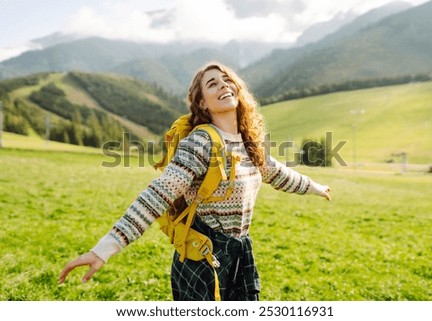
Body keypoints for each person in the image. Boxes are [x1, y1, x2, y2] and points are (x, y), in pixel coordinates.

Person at [59, 62, 331, 301]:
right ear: (202, 102)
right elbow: (158, 195)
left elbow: (274, 171)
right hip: (202, 258)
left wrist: (315, 187)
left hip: (239, 253)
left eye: (227, 80)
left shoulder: (248, 142)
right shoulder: (201, 142)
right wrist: (104, 249)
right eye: (212, 84)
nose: (223, 85)